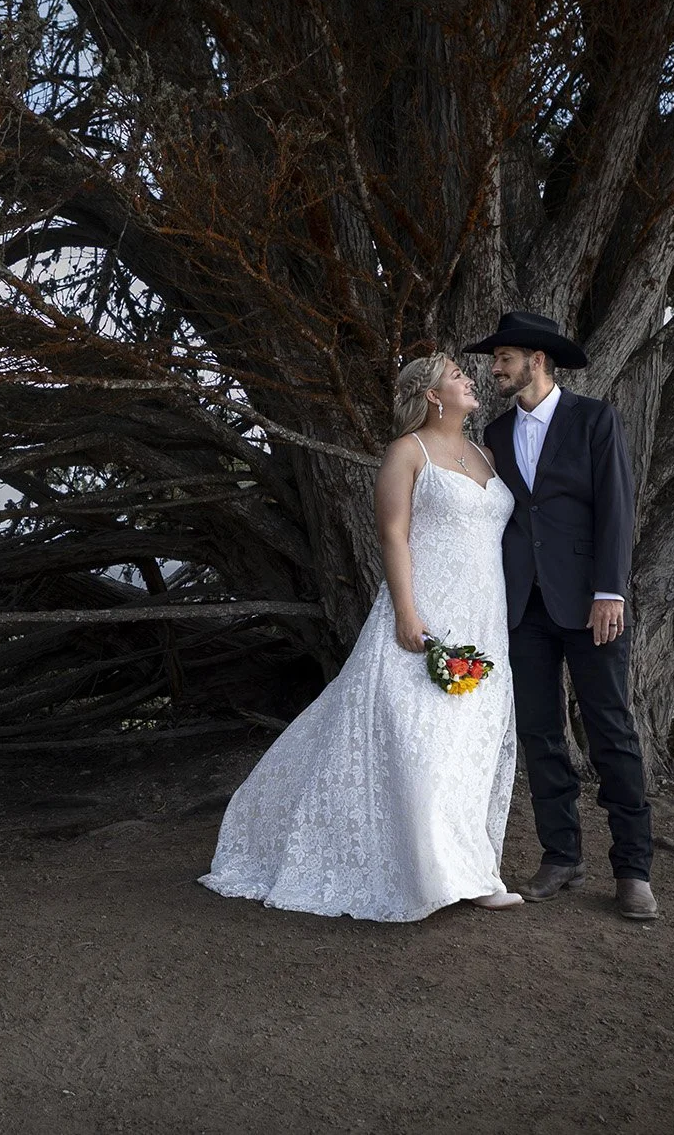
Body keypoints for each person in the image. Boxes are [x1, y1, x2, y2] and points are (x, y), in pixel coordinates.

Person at [200, 352, 522, 920]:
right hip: (428, 610)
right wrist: (406, 611)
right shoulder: (408, 452)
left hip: (484, 616)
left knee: (467, 741)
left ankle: (470, 868)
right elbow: (393, 536)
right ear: (431, 395)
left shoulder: (485, 454)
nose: (471, 380)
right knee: (418, 736)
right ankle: (430, 872)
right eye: (457, 375)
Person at [467, 311, 658, 920]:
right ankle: (562, 856)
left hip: (588, 603)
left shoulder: (594, 419)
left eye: (504, 358)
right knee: (539, 732)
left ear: (538, 361)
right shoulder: (493, 435)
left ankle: (633, 869)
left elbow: (617, 511)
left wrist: (610, 591)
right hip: (521, 606)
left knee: (612, 731)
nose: (494, 367)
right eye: (493, 359)